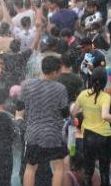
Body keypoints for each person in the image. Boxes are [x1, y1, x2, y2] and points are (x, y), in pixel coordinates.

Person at [21, 56, 69, 186]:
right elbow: (65, 113)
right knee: (58, 166)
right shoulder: (60, 88)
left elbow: (20, 106)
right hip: (53, 135)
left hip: (33, 134)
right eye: (58, 72)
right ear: (54, 72)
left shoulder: (27, 85)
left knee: (31, 167)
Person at [72, 67, 111, 186]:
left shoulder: (83, 94)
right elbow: (105, 115)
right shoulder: (105, 97)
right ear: (105, 82)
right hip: (104, 138)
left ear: (91, 80)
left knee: (88, 170)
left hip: (88, 137)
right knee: (104, 171)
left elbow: (74, 112)